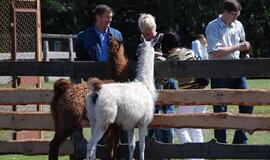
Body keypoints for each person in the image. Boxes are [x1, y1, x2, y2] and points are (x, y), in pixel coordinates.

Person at [74, 3, 128, 148]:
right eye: (107, 17)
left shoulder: (117, 35)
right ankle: (100, 149)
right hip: (95, 86)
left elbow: (121, 59)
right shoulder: (83, 37)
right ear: (98, 17)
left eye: (111, 18)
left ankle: (119, 150)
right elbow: (80, 64)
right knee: (99, 119)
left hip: (114, 85)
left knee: (118, 118)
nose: (109, 20)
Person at [205, 0, 253, 144]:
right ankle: (221, 144)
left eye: (237, 15)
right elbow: (215, 52)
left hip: (238, 70)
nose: (235, 18)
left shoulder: (238, 25)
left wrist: (246, 54)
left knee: (249, 101)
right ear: (225, 12)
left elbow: (243, 45)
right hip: (220, 71)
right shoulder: (213, 26)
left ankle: (240, 138)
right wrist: (238, 47)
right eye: (233, 14)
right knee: (220, 109)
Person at [162, 32, 208, 160]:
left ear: (166, 46)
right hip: (203, 94)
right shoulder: (189, 52)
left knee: (180, 127)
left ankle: (190, 157)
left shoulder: (172, 59)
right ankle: (199, 158)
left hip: (188, 95)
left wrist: (162, 62)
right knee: (196, 128)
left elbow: (163, 80)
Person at [137, 13, 177, 146]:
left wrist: (164, 57)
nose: (149, 36)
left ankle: (167, 149)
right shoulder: (142, 45)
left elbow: (177, 56)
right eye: (145, 33)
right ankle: (156, 149)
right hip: (150, 86)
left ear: (154, 27)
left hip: (167, 83)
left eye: (150, 32)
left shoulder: (166, 39)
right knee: (152, 118)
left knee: (168, 116)